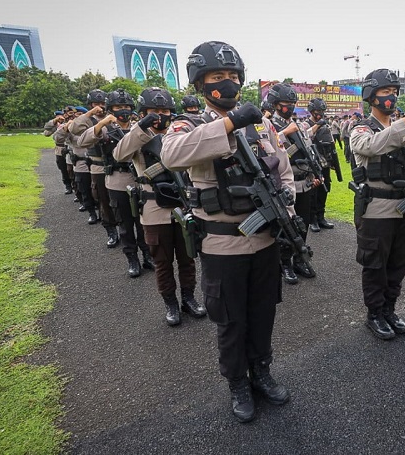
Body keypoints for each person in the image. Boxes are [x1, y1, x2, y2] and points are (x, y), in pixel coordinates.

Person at [160, 40, 293, 422]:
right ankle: (237, 382)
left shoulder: (262, 124)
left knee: (263, 313)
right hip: (223, 242)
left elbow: (282, 168)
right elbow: (171, 154)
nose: (228, 82)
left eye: (233, 75)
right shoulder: (189, 124)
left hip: (265, 237)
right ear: (201, 83)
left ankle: (262, 371)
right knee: (232, 320)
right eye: (218, 76)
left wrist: (286, 207)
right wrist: (231, 123)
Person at [349, 68, 405, 340]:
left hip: (402, 208)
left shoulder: (401, 131)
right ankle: (374, 313)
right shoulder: (361, 128)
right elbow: (371, 146)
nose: (392, 97)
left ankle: (389, 309)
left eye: (395, 92)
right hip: (376, 210)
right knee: (376, 265)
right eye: (386, 92)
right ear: (371, 96)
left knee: (399, 263)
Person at [113, 87, 206, 324]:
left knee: (187, 258)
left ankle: (188, 298)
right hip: (154, 209)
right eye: (154, 111)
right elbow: (119, 155)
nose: (160, 115)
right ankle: (171, 304)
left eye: (164, 111)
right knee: (163, 262)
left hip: (183, 205)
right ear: (143, 112)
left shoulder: (180, 133)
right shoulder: (138, 136)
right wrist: (140, 128)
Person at [78, 88, 154, 277]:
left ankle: (147, 255)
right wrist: (101, 123)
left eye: (126, 106)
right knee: (125, 223)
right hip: (118, 181)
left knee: (143, 223)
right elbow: (82, 141)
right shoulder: (105, 128)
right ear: (111, 109)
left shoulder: (139, 126)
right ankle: (132, 258)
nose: (123, 110)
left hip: (140, 180)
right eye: (118, 107)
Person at [268, 83, 320, 284]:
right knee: (286, 225)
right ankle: (285, 264)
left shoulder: (299, 125)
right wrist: (284, 134)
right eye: (285, 103)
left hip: (303, 181)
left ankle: (299, 259)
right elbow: (272, 154)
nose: (289, 107)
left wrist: (315, 173)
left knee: (302, 223)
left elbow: (309, 150)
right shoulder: (268, 125)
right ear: (275, 104)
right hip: (284, 184)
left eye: (292, 103)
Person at [70, 89, 120, 246]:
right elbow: (73, 129)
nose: (100, 106)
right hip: (98, 165)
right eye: (96, 103)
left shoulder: (113, 116)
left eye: (102, 103)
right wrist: (91, 113)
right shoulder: (88, 120)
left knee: (120, 201)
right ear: (90, 105)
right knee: (103, 200)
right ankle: (111, 230)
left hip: (117, 163)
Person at [304, 97, 336, 233]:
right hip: (312, 163)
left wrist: (333, 161)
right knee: (314, 191)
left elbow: (330, 143)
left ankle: (321, 217)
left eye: (322, 111)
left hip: (324, 162)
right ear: (312, 111)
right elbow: (305, 137)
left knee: (325, 188)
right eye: (317, 111)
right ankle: (313, 220)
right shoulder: (305, 124)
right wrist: (317, 125)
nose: (320, 114)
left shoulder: (326, 125)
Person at [44, 110, 74, 195]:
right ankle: (68, 185)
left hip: (69, 147)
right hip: (60, 148)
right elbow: (46, 133)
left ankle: (75, 185)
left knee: (71, 168)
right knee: (63, 168)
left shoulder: (73, 122)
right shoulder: (57, 125)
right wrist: (55, 124)